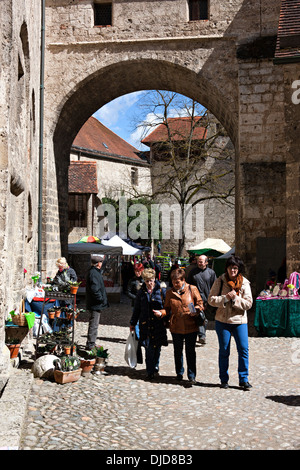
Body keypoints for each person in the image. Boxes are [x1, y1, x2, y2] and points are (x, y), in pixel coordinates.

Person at [208, 255, 253, 391]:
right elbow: (211, 300)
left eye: (235, 268)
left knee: (243, 350)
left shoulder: (245, 283)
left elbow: (249, 303)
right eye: (230, 268)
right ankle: (224, 379)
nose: (232, 271)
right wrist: (225, 298)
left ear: (238, 269)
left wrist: (236, 300)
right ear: (226, 268)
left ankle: (243, 379)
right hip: (223, 321)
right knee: (224, 351)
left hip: (239, 322)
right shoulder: (220, 281)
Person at [159, 268, 203, 385]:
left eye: (177, 282)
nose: (175, 284)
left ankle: (192, 375)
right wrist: (162, 313)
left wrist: (197, 310)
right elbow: (167, 308)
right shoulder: (169, 293)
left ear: (183, 280)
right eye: (173, 282)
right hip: (176, 326)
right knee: (177, 351)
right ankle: (179, 372)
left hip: (191, 325)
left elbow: (200, 303)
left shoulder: (192, 289)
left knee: (190, 351)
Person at [130, 268, 168, 380]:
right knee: (148, 348)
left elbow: (167, 308)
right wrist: (132, 323)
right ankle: (150, 370)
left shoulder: (161, 291)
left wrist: (162, 313)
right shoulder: (141, 292)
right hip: (145, 324)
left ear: (155, 279)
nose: (150, 283)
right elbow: (136, 309)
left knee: (157, 348)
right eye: (147, 281)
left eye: (151, 280)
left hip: (158, 324)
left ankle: (155, 365)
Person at [188, 255, 217, 344]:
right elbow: (189, 285)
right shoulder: (193, 272)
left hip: (208, 298)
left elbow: (214, 286)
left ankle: (202, 334)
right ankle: (202, 335)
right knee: (199, 316)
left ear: (206, 262)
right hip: (196, 299)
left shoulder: (211, 273)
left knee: (206, 318)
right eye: (198, 261)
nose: (199, 263)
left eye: (201, 261)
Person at [85, 254, 109, 350]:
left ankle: (91, 342)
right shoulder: (93, 273)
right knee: (94, 324)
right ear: (98, 263)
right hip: (95, 304)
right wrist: (100, 299)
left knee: (94, 323)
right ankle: (90, 344)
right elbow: (95, 289)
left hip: (95, 303)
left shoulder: (94, 272)